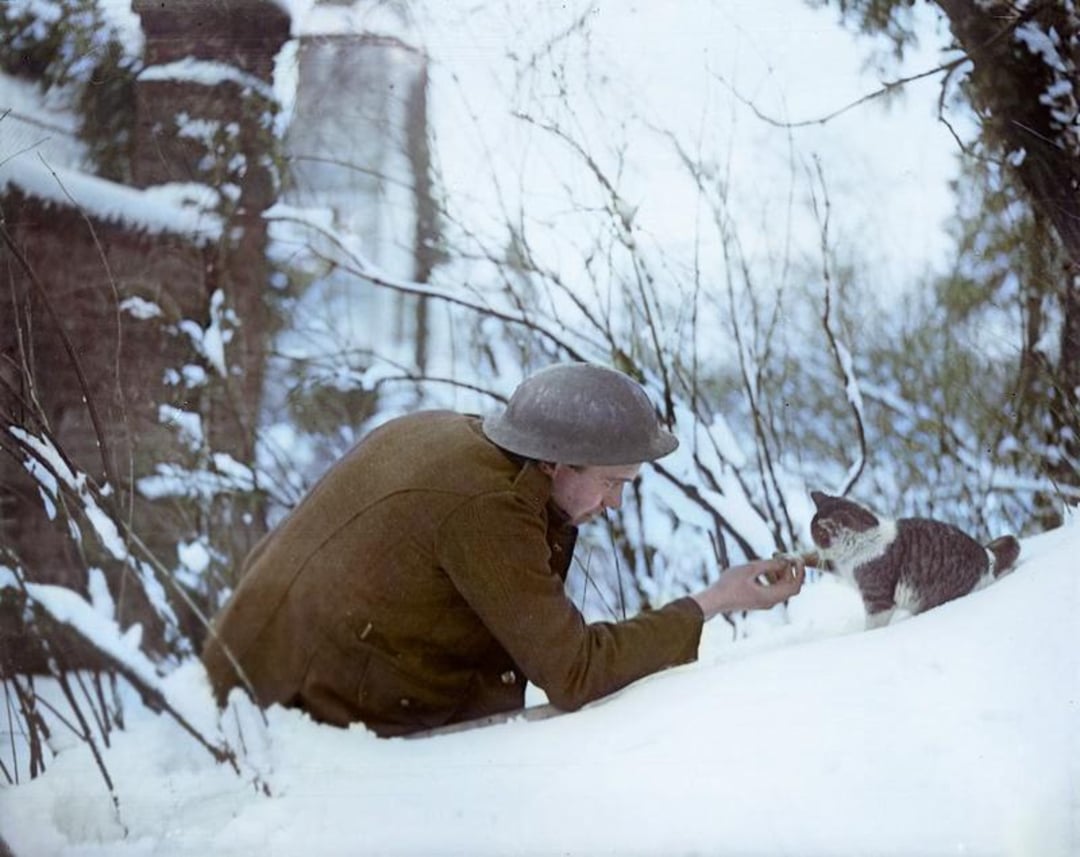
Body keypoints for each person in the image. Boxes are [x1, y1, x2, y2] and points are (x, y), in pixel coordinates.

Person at [201, 363, 805, 737]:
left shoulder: (464, 439)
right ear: (555, 462)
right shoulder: (487, 506)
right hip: (293, 718)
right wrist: (715, 600)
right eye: (612, 483)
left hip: (253, 667)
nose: (615, 504)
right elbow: (575, 671)